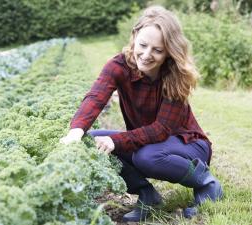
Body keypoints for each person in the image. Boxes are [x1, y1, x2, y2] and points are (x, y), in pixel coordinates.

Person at [60, 5, 223, 222]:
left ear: (169, 52)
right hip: (148, 143)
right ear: (134, 36)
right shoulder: (119, 65)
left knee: (146, 156)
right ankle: (148, 195)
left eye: (157, 50)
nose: (146, 55)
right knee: (89, 142)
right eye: (143, 45)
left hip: (188, 146)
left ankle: (206, 182)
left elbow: (160, 130)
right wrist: (76, 131)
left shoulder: (174, 77)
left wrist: (115, 140)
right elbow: (96, 97)